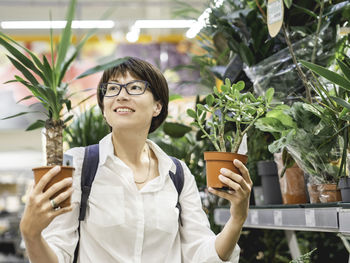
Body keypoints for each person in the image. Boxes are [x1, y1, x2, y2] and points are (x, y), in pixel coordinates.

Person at [20, 57, 252, 263]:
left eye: (134, 87)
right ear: (104, 108)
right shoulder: (79, 165)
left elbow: (203, 255)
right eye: (112, 88)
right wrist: (31, 234)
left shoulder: (177, 173)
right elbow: (58, 255)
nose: (121, 95)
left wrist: (237, 218)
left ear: (157, 106)